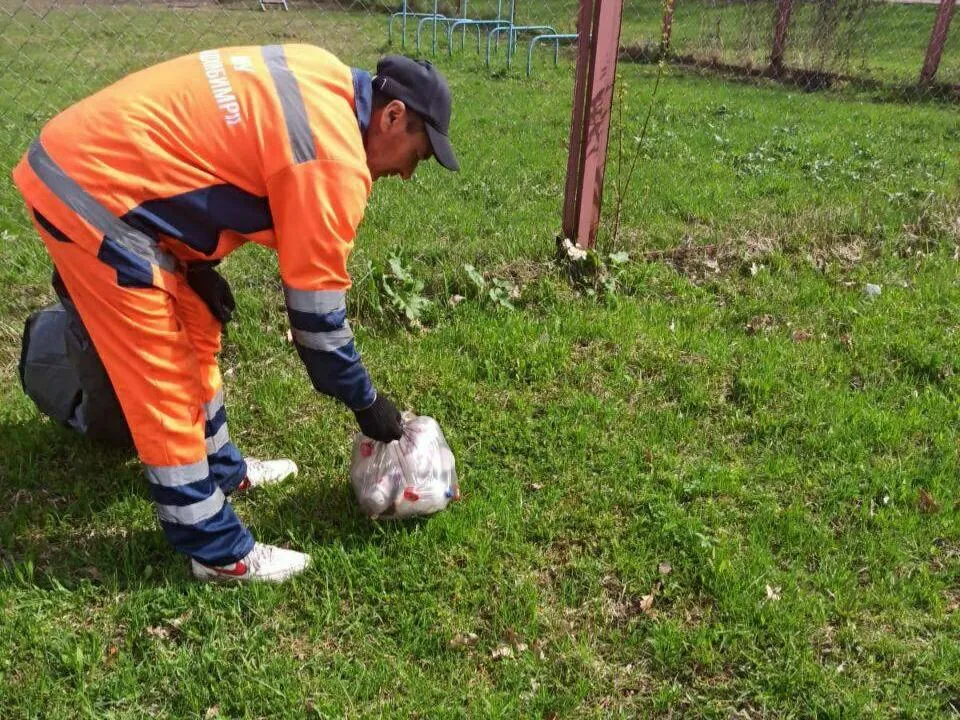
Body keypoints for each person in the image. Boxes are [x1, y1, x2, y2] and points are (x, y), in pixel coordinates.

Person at [11, 45, 459, 583]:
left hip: (104, 166)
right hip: (95, 194)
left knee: (197, 321)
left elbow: (221, 149)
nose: (408, 174)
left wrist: (196, 262)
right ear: (392, 116)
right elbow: (318, 328)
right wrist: (369, 406)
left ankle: (223, 470)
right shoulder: (334, 162)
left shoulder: (323, 73)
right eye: (418, 155)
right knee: (163, 376)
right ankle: (216, 551)